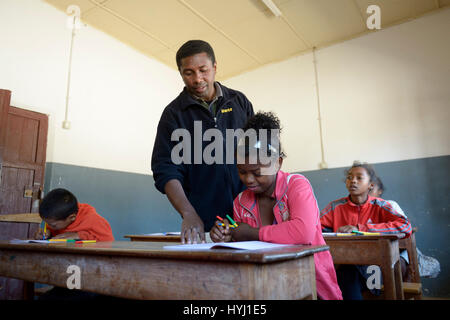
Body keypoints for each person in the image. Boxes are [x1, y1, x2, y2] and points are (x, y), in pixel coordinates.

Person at [210, 111, 342, 300]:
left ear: (277, 163)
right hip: (265, 288)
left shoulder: (296, 185)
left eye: (256, 172)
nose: (248, 179)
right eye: (241, 171)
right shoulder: (241, 202)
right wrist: (226, 236)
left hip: (313, 284)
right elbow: (243, 247)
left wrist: (251, 232)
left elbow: (302, 232)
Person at [151, 40, 254, 244]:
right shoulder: (173, 115)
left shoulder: (239, 102)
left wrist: (256, 211)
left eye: (203, 70)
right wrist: (188, 213)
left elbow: (258, 157)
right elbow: (166, 169)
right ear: (181, 73)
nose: (197, 79)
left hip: (247, 219)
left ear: (215, 67)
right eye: (188, 73)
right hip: (204, 224)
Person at [320, 161, 412, 299]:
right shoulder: (335, 207)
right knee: (344, 273)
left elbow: (405, 226)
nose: (353, 181)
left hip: (376, 266)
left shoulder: (381, 206)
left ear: (371, 185)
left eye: (359, 177)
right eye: (349, 177)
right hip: (346, 264)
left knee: (350, 275)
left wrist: (360, 229)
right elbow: (314, 228)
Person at [35, 188, 114, 241]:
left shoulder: (92, 220)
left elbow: (108, 241)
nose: (49, 226)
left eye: (53, 225)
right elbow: (55, 235)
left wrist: (79, 236)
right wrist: (47, 233)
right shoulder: (57, 217)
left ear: (71, 217)